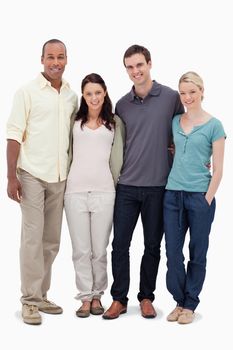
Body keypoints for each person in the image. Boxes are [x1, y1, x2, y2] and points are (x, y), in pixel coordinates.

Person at [103, 44, 184, 320]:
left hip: (159, 186)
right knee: (119, 246)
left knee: (152, 245)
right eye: (129, 67)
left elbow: (183, 133)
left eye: (139, 65)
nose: (135, 71)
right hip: (126, 186)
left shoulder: (171, 97)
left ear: (149, 63)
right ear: (126, 70)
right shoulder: (122, 105)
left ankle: (147, 297)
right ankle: (118, 299)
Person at [6, 39, 78, 325]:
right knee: (32, 239)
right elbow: (13, 134)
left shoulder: (72, 96)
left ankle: (41, 294)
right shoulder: (27, 92)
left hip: (60, 178)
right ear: (42, 59)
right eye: (51, 57)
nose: (55, 62)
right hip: (32, 175)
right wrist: (11, 176)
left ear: (67, 59)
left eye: (60, 57)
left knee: (51, 241)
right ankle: (29, 301)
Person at [164, 71, 226, 324]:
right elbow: (173, 152)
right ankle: (179, 301)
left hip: (200, 197)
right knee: (173, 253)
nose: (187, 97)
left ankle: (190, 304)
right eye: (183, 93)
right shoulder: (175, 121)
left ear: (201, 91)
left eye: (192, 91)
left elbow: (219, 169)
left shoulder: (214, 125)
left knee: (197, 253)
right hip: (172, 195)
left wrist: (207, 198)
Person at [64, 73, 125, 318]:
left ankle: (98, 295)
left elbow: (123, 153)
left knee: (99, 249)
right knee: (80, 249)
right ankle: (84, 297)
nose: (94, 98)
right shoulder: (74, 120)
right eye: (89, 93)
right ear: (83, 96)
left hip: (104, 191)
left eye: (97, 92)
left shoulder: (115, 122)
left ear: (105, 92)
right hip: (75, 191)